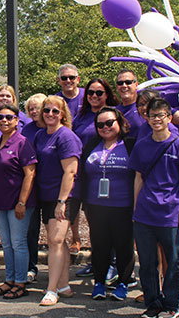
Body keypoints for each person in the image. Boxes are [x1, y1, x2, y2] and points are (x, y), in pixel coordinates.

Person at [131, 98, 179, 318]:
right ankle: (153, 303)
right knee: (148, 263)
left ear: (169, 117)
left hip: (170, 213)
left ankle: (171, 304)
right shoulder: (142, 145)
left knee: (173, 260)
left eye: (161, 115)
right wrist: (135, 207)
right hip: (145, 214)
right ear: (147, 118)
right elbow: (138, 178)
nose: (156, 119)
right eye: (152, 115)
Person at [80, 107, 137, 302]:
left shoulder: (130, 145)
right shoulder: (91, 145)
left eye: (109, 123)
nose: (105, 127)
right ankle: (99, 282)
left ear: (119, 123)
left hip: (123, 205)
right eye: (100, 124)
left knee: (124, 246)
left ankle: (123, 282)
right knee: (100, 245)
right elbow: (82, 174)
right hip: (96, 206)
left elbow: (139, 175)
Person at [33, 96, 82, 306]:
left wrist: (61, 201)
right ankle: (64, 284)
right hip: (46, 196)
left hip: (64, 197)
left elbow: (70, 172)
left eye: (55, 111)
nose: (50, 114)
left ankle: (51, 290)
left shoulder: (66, 136)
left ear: (63, 114)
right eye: (46, 111)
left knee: (55, 241)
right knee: (57, 242)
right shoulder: (40, 135)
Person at [0, 103, 37, 300]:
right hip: (0, 202)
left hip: (19, 202)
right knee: (6, 244)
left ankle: (20, 282)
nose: (4, 121)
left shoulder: (23, 143)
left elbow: (30, 174)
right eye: (0, 117)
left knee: (18, 243)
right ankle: (9, 280)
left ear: (17, 120)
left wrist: (22, 202)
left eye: (9, 117)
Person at [68, 79, 120, 256]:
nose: (94, 96)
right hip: (83, 174)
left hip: (106, 174)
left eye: (99, 92)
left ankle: (110, 260)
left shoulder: (113, 115)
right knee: (87, 218)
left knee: (106, 221)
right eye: (90, 93)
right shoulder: (81, 117)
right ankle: (96, 260)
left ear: (107, 94)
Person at [21, 93, 47, 283]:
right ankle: (31, 266)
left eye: (37, 107)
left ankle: (56, 270)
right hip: (30, 185)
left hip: (49, 184)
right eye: (30, 108)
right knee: (31, 229)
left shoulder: (54, 129)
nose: (33, 111)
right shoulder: (26, 130)